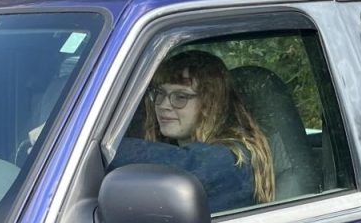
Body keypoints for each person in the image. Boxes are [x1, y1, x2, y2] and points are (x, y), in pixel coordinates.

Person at [109, 50, 274, 214]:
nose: (163, 105)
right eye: (160, 94)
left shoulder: (229, 158)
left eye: (180, 96)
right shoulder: (177, 148)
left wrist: (99, 146)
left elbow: (185, 166)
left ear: (210, 104)